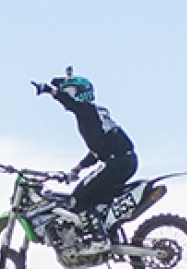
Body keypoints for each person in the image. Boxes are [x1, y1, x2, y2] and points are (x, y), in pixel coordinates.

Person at [32, 70, 138, 235]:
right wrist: (76, 170)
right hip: (124, 160)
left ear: (80, 93)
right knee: (98, 195)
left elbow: (72, 103)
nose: (68, 96)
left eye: (70, 92)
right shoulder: (92, 115)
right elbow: (96, 152)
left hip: (117, 163)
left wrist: (50, 90)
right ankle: (109, 232)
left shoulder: (86, 111)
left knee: (79, 196)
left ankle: (98, 238)